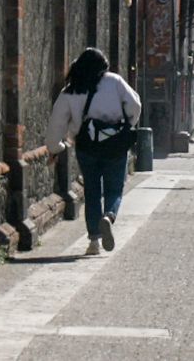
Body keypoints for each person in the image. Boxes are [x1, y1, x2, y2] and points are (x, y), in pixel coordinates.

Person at [47, 47, 142, 256]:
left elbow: (56, 124)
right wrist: (128, 124)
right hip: (115, 144)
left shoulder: (70, 90)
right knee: (114, 189)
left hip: (86, 147)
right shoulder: (114, 81)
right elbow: (135, 105)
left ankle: (93, 242)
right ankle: (109, 216)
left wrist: (56, 147)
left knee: (91, 192)